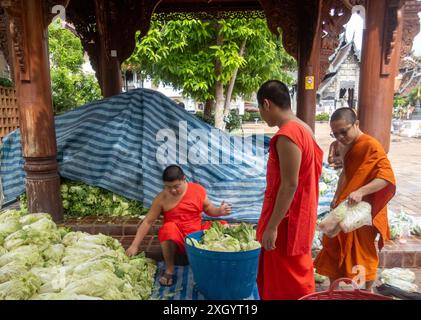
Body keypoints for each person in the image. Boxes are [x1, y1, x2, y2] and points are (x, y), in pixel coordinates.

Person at [314, 108, 396, 291]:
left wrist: (361, 191)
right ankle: (333, 290)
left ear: (356, 124)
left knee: (362, 252)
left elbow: (386, 177)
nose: (340, 137)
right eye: (335, 134)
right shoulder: (343, 146)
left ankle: (367, 291)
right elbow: (346, 172)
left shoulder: (371, 145)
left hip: (364, 210)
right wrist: (336, 195)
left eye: (344, 131)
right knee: (333, 244)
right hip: (347, 205)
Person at [255, 80, 324, 300]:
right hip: (301, 213)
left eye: (259, 108)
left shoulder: (287, 135)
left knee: (286, 280)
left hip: (287, 221)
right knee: (297, 271)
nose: (261, 114)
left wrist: (272, 227)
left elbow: (290, 184)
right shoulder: (305, 128)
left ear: (266, 104)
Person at [126, 165, 232, 286]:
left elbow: (209, 209)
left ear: (184, 179)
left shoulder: (198, 190)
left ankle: (221, 264)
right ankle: (169, 270)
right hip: (178, 237)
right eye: (168, 187)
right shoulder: (162, 198)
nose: (173, 190)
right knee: (167, 229)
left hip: (198, 234)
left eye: (176, 186)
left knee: (224, 226)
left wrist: (220, 211)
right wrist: (134, 246)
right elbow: (147, 222)